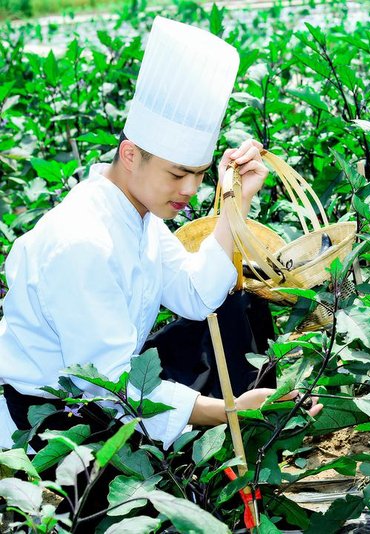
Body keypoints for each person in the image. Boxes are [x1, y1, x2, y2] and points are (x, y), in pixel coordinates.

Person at [0, 17, 320, 451]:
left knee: (239, 303)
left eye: (200, 175)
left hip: (108, 397)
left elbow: (198, 293)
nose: (190, 190)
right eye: (177, 174)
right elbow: (110, 386)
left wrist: (237, 200)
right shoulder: (82, 241)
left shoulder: (138, 218)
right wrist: (230, 410)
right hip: (55, 420)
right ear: (131, 155)